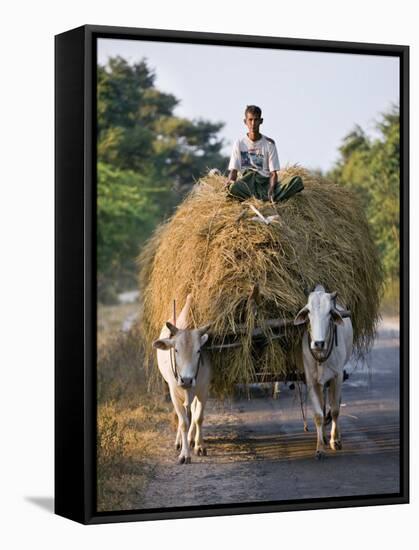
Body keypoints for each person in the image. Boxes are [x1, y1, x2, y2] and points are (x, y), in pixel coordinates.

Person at [225, 105, 304, 202]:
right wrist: (230, 182)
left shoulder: (269, 144)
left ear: (261, 121)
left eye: (256, 120)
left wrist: (271, 189)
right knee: (232, 188)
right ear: (245, 121)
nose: (253, 124)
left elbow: (273, 173)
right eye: (250, 120)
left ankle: (268, 196)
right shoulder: (239, 143)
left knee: (296, 181)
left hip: (264, 184)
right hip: (247, 184)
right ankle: (265, 198)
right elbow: (234, 170)